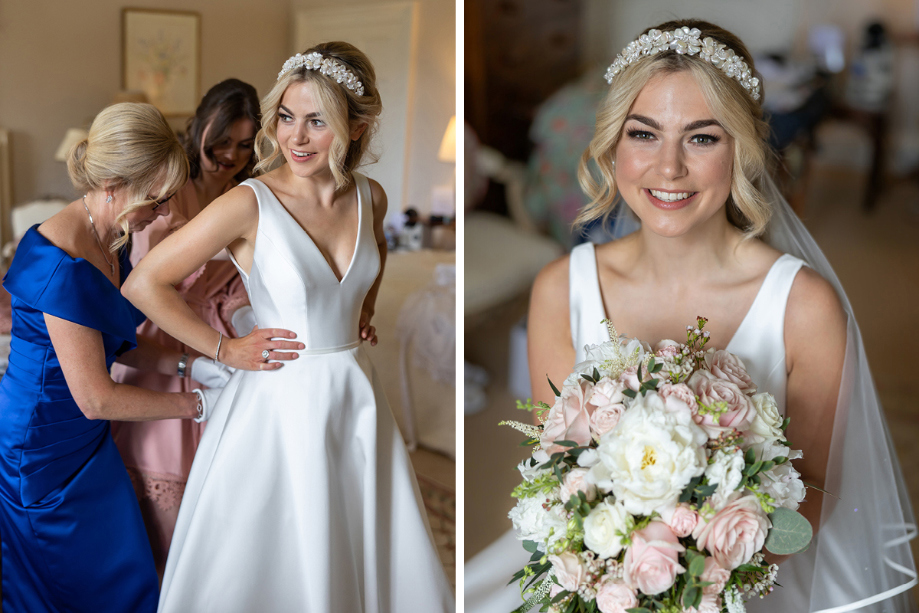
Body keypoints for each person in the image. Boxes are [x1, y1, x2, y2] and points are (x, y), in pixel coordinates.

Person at [465, 20, 916, 613]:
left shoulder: (805, 306)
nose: (668, 167)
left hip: (750, 582)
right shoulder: (561, 288)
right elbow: (558, 478)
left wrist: (691, 588)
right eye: (644, 134)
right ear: (613, 144)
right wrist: (616, 577)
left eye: (702, 138)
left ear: (742, 148)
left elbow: (814, 494)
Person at [122, 42, 454, 611]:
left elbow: (374, 258)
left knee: (360, 543)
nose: (295, 137)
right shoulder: (250, 202)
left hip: (354, 394)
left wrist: (361, 309)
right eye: (286, 117)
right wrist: (223, 348)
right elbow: (144, 283)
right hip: (277, 405)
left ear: (357, 126)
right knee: (277, 553)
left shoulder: (369, 197)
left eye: (317, 121)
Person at [0, 103, 227, 612]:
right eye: (157, 198)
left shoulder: (113, 239)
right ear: (113, 187)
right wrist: (199, 404)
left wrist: (187, 364)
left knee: (126, 571)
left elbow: (116, 339)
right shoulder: (60, 263)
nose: (165, 213)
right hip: (41, 451)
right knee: (72, 587)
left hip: (85, 441)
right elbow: (98, 397)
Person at [110, 78, 261, 575]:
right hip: (166, 329)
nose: (230, 155)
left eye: (243, 144)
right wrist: (208, 353)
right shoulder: (171, 193)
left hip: (224, 330)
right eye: (220, 141)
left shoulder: (248, 192)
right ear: (201, 127)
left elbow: (237, 282)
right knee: (163, 492)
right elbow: (145, 280)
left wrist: (244, 315)